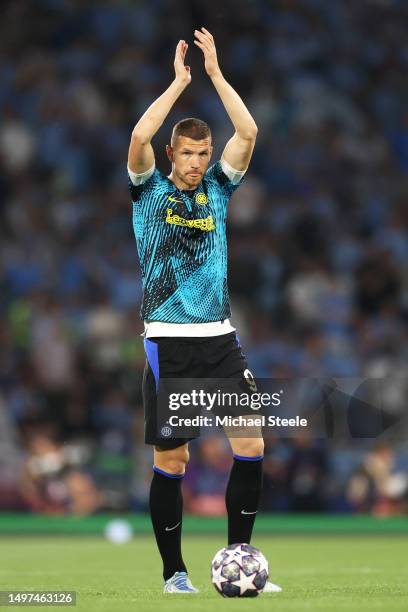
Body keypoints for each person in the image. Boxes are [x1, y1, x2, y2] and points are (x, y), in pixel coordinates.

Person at [127, 27, 281, 594]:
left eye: (201, 153)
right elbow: (138, 134)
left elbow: (250, 130)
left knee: (251, 442)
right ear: (172, 154)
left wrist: (216, 76)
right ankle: (174, 574)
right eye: (186, 153)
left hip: (220, 338)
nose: (195, 162)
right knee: (175, 461)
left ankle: (240, 557)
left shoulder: (217, 190)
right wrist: (178, 84)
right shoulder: (148, 192)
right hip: (168, 341)